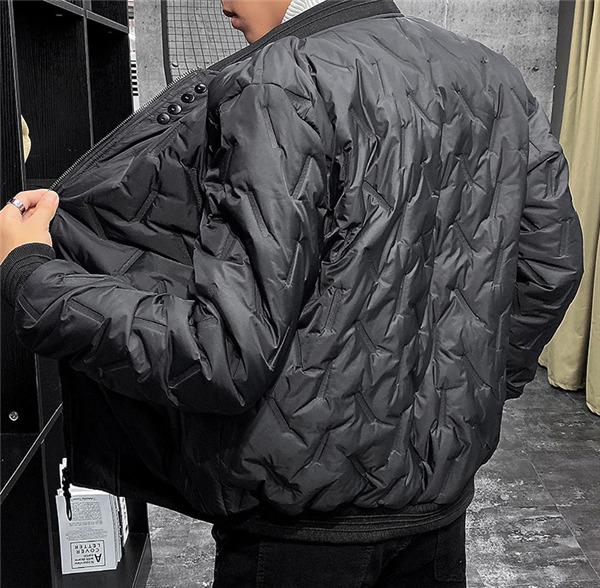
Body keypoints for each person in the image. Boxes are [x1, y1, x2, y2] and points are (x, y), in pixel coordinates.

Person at [0, 0, 584, 585]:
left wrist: (35, 275)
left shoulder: (283, 79)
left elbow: (222, 350)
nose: (223, 4)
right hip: (437, 505)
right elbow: (549, 270)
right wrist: (465, 393)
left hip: (301, 524)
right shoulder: (492, 74)